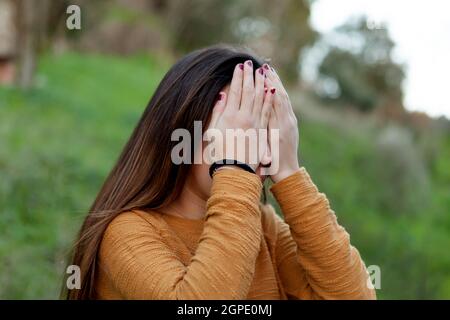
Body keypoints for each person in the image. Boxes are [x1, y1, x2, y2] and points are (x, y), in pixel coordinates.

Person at [65, 45, 376, 300]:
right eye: (236, 129)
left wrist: (289, 172)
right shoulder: (126, 234)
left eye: (264, 131)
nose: (256, 151)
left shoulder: (263, 226)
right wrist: (235, 168)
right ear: (182, 128)